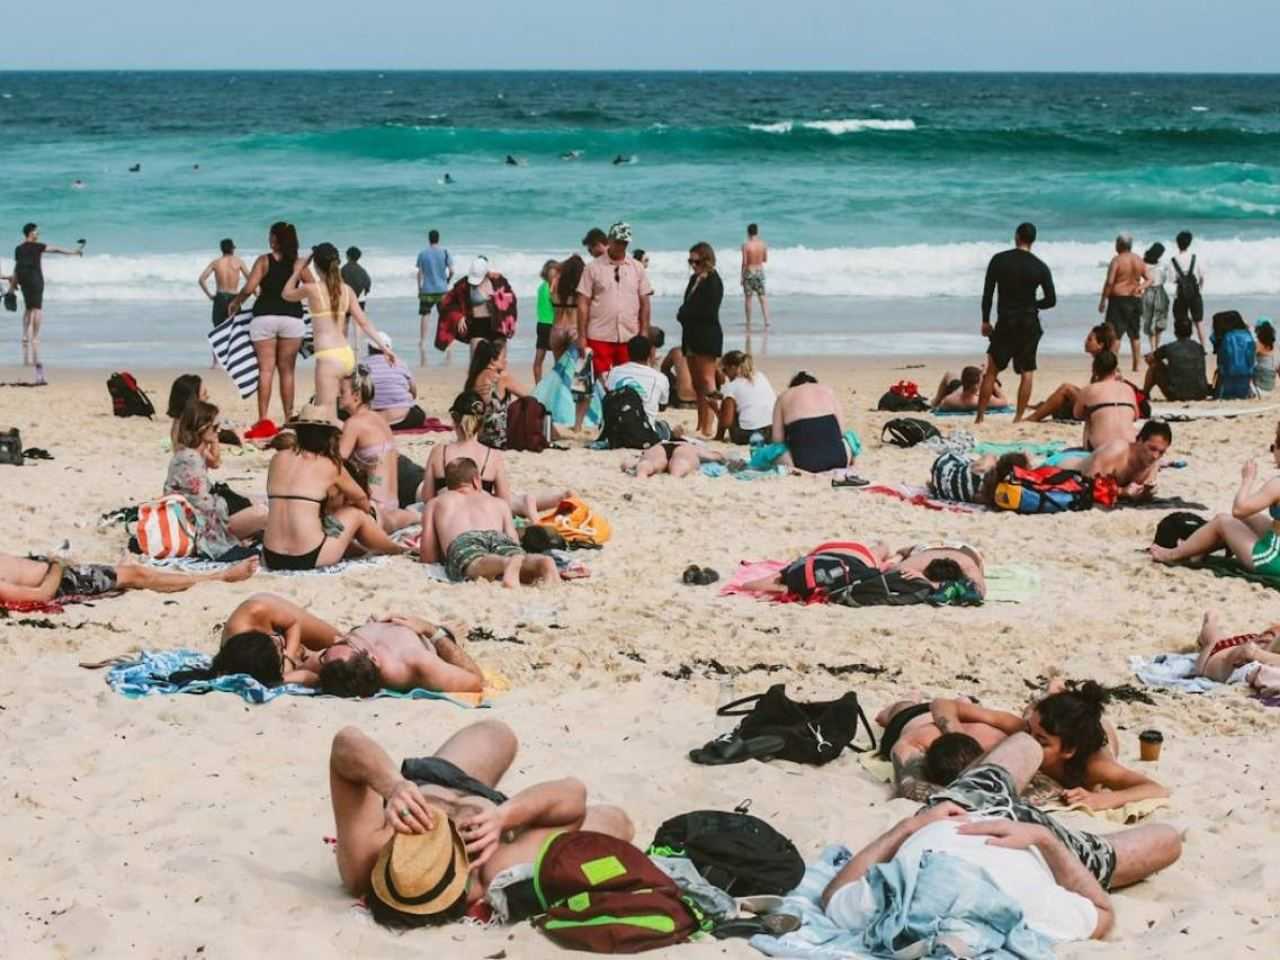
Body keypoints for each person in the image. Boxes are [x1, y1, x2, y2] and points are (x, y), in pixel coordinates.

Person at [820, 733, 1182, 947]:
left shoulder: (890, 910)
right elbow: (1103, 913)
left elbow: (834, 893)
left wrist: (909, 828)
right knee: (1168, 839)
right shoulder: (1023, 908)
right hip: (1028, 842)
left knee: (1026, 742)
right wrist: (1044, 838)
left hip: (958, 812)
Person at [328, 721, 634, 925]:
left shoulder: (369, 857)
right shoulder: (492, 867)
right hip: (501, 816)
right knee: (616, 823)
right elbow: (573, 794)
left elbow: (346, 742)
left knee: (497, 733)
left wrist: (393, 786)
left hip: (429, 783)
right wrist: (505, 816)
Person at [928, 684, 1167, 812]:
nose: (1029, 741)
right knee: (1035, 713)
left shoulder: (1094, 766)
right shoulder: (1028, 730)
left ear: (1068, 751)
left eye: (1041, 741)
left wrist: (1101, 799)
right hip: (1061, 725)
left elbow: (1156, 789)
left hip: (1097, 732)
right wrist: (955, 736)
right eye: (1030, 733)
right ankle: (1053, 691)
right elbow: (942, 703)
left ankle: (1056, 689)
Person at [262, 405, 406, 571]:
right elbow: (361, 499)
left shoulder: (277, 459)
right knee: (356, 514)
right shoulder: (330, 466)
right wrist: (366, 518)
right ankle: (396, 549)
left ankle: (364, 548)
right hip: (307, 557)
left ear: (299, 433)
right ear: (327, 436)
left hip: (271, 556)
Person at [281, 242, 395, 415]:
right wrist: (384, 347)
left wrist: (298, 270)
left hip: (328, 357)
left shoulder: (312, 289)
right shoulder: (347, 290)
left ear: (316, 266)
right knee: (346, 412)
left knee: (326, 414)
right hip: (346, 355)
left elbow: (286, 294)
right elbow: (364, 322)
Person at [1151, 423, 1280, 572]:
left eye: (1274, 447)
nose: (1273, 454)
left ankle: (1172, 554)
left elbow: (1239, 510)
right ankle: (1199, 550)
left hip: (1272, 560)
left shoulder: (1277, 485)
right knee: (1250, 518)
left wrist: (1247, 480)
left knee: (1222, 521)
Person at [424, 391, 568, 521]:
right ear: (481, 423)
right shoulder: (492, 455)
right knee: (503, 499)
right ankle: (533, 501)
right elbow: (503, 501)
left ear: (455, 420)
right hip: (481, 511)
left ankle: (526, 501)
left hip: (449, 511)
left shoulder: (439, 452)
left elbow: (427, 497)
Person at [419, 458, 559, 587]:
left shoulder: (436, 503)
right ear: (476, 480)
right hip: (499, 537)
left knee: (476, 563)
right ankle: (541, 562)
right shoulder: (499, 503)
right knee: (518, 556)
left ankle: (506, 563)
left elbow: (428, 554)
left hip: (464, 539)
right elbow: (514, 540)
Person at [224, 222, 306, 428]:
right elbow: (313, 286)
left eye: (271, 236)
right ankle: (288, 418)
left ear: (278, 239)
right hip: (292, 318)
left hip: (264, 318)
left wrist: (236, 302)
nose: (269, 240)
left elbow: (250, 287)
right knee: (287, 371)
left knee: (266, 370)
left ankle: (263, 419)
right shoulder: (298, 263)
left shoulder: (264, 260)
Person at [574, 222, 653, 430]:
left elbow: (645, 301)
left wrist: (644, 332)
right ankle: (593, 421)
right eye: (618, 242)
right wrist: (581, 335)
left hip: (629, 335)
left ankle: (628, 418)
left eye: (625, 243)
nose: (621, 247)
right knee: (602, 382)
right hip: (599, 334)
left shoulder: (637, 268)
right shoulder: (593, 268)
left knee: (629, 379)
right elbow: (582, 302)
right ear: (609, 241)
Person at [165, 400, 268, 557]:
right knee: (262, 514)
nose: (218, 431)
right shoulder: (190, 459)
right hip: (198, 529)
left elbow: (214, 464)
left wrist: (214, 440)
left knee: (258, 509)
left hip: (199, 521)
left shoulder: (191, 453)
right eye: (214, 427)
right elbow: (203, 507)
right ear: (201, 428)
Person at [978, 222, 1056, 422]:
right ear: (1033, 240)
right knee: (1027, 371)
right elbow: (1051, 300)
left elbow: (988, 293)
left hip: (1006, 321)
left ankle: (980, 417)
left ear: (1017, 236)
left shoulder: (999, 260)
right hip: (1029, 322)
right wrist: (1033, 304)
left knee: (992, 369)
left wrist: (985, 320)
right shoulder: (1040, 266)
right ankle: (1018, 417)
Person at [0, 550, 256, 604]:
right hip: (63, 581)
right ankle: (220, 577)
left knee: (127, 571)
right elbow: (40, 595)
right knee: (138, 574)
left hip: (62, 572)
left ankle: (116, 570)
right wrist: (56, 563)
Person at [338, 368, 420, 533]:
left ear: (356, 395)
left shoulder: (354, 423)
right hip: (392, 504)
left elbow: (335, 463)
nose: (338, 395)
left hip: (375, 508)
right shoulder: (379, 420)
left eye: (342, 391)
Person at [1025, 323, 1119, 422]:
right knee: (1060, 400)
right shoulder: (1101, 360)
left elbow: (1101, 393)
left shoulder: (1105, 363)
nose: (1085, 342)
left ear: (1100, 345)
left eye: (1090, 339)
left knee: (1066, 389)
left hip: (1100, 408)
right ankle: (1041, 408)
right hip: (1097, 404)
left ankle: (1033, 418)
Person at [677, 242, 724, 436]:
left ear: (706, 260)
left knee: (707, 381)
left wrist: (685, 313)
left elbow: (707, 310)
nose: (693, 265)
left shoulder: (713, 281)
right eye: (690, 261)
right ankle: (701, 423)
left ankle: (715, 423)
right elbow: (688, 304)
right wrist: (684, 313)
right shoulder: (694, 280)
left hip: (706, 335)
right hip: (690, 335)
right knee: (697, 384)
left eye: (696, 261)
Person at [13, 222, 83, 352]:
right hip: (35, 279)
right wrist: (72, 252)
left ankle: (24, 336)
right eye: (36, 231)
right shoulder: (38, 246)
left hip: (24, 280)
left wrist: (12, 286)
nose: (38, 234)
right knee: (37, 309)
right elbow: (56, 249)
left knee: (28, 308)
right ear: (31, 233)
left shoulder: (18, 248)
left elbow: (16, 269)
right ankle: (34, 337)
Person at [1062, 420, 1172, 500]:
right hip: (1063, 465)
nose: (1155, 456)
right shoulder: (1117, 451)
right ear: (1140, 440)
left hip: (1085, 459)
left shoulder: (1153, 463)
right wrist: (1122, 492)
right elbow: (1089, 484)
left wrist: (1145, 494)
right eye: (1152, 449)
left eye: (1161, 452)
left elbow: (1141, 495)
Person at [773, 372, 856, 473]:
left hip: (802, 465)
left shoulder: (783, 396)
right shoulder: (828, 391)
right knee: (851, 438)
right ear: (814, 383)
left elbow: (777, 440)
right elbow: (841, 432)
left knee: (775, 450)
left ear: (793, 386)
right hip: (839, 460)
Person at [1189, 610, 1280, 696]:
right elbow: (1249, 652)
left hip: (1230, 651)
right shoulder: (1256, 652)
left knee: (1214, 637)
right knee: (1211, 635)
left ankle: (1211, 620)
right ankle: (1210, 618)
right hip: (1219, 651)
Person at [1098, 233, 1150, 373]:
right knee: (1135, 335)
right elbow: (1150, 279)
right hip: (1135, 300)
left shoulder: (1117, 260)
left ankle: (1112, 366)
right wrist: (1140, 287)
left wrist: (1103, 300)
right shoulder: (1139, 260)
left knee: (1115, 335)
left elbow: (1109, 282)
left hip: (1118, 300)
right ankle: (1136, 366)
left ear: (1120, 245)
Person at [464, 337, 528, 449]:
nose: (506, 361)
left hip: (481, 437)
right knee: (527, 405)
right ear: (493, 360)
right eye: (503, 357)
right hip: (498, 438)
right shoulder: (501, 378)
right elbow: (529, 397)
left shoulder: (475, 377)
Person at [1073, 351, 1137, 451]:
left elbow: (1077, 414)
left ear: (1094, 369)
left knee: (1089, 416)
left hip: (1099, 448)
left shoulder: (1089, 389)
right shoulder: (1128, 388)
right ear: (1115, 369)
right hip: (1129, 446)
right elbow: (1135, 416)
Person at [604, 334, 670, 428]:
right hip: (644, 431)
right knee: (664, 426)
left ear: (628, 352)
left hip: (615, 430)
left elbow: (609, 394)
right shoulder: (660, 377)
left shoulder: (615, 371)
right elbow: (662, 406)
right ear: (650, 353)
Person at [363, 337, 426, 430]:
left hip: (371, 419)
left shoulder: (362, 364)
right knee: (419, 414)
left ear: (369, 348)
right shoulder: (400, 363)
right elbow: (414, 392)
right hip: (400, 419)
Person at [715, 350, 775, 444]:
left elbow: (727, 422)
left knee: (728, 405)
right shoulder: (760, 376)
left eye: (725, 370)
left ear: (733, 368)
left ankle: (719, 437)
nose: (725, 374)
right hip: (772, 432)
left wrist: (714, 407)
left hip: (749, 435)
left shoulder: (731, 386)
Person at [1144, 317, 1209, 401]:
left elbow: (1149, 359)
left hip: (1176, 394)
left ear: (1175, 332)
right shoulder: (1199, 347)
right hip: (1201, 393)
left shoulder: (1169, 347)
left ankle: (1145, 393)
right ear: (1191, 332)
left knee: (1155, 366)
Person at [930, 451, 1029, 506]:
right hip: (940, 484)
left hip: (943, 466)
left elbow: (987, 459)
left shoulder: (984, 476)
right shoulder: (997, 495)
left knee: (989, 457)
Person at [197, 238, 249, 331]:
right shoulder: (239, 262)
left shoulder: (216, 263)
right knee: (236, 329)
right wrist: (253, 294)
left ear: (222, 249)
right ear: (232, 249)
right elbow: (250, 279)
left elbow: (201, 279)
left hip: (220, 298)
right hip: (234, 298)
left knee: (219, 329)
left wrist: (210, 295)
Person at [417, 229, 454, 350]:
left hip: (427, 289)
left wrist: (419, 288)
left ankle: (422, 341)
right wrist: (447, 280)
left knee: (425, 315)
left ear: (429, 239)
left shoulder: (422, 254)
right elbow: (452, 270)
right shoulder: (445, 252)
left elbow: (420, 273)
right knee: (444, 315)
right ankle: (448, 339)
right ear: (438, 239)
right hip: (442, 289)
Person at [1170, 230, 1206, 346]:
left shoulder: (1173, 260)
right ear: (1189, 243)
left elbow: (1172, 279)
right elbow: (1202, 276)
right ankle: (1203, 347)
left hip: (1180, 294)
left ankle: (1183, 345)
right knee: (1199, 321)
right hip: (1195, 293)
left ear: (1177, 243)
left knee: (1181, 321)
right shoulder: (1195, 258)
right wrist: (1199, 289)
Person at [628, 439, 724, 479]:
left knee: (650, 463)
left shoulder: (663, 441)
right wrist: (722, 458)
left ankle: (641, 476)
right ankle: (675, 477)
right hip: (683, 449)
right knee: (681, 464)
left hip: (660, 446)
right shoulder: (692, 446)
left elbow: (632, 460)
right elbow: (714, 456)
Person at [932, 365, 1006, 412]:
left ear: (962, 381)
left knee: (949, 374)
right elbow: (1004, 401)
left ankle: (936, 401)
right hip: (972, 392)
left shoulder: (950, 400)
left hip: (961, 394)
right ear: (977, 385)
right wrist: (990, 380)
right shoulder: (985, 400)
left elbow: (942, 405)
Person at [1140, 242, 1170, 353]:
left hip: (1148, 292)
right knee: (1159, 321)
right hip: (1160, 291)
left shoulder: (1144, 264)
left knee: (1149, 319)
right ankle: (1156, 347)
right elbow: (1166, 278)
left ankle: (1153, 348)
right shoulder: (1162, 265)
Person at [532, 259, 559, 383]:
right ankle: (555, 384)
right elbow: (555, 304)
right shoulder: (553, 288)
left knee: (539, 360)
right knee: (558, 360)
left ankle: (539, 385)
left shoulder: (541, 286)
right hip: (551, 325)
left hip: (543, 324)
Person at [741, 222, 769, 328]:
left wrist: (741, 276)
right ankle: (766, 321)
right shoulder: (763, 245)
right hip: (759, 271)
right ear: (757, 232)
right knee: (762, 297)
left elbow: (744, 262)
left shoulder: (746, 245)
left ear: (748, 232)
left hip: (749, 271)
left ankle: (748, 322)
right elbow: (765, 259)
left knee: (748, 298)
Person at [1254, 319, 1277, 394]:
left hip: (1259, 387)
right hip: (1270, 386)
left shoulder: (1258, 345)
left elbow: (1248, 363)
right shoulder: (1276, 348)